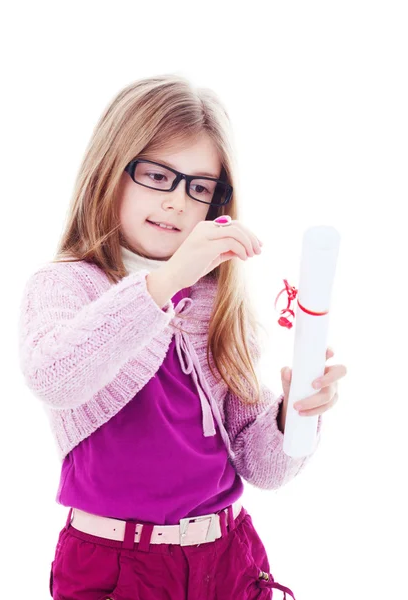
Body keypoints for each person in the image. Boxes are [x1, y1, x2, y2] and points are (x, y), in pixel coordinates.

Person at [18, 74, 345, 600]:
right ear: (111, 171)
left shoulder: (216, 301)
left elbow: (262, 466)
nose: (175, 202)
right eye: (156, 174)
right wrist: (165, 283)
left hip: (229, 556)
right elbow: (56, 378)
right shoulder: (67, 283)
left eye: (198, 187)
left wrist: (294, 414)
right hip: (117, 566)